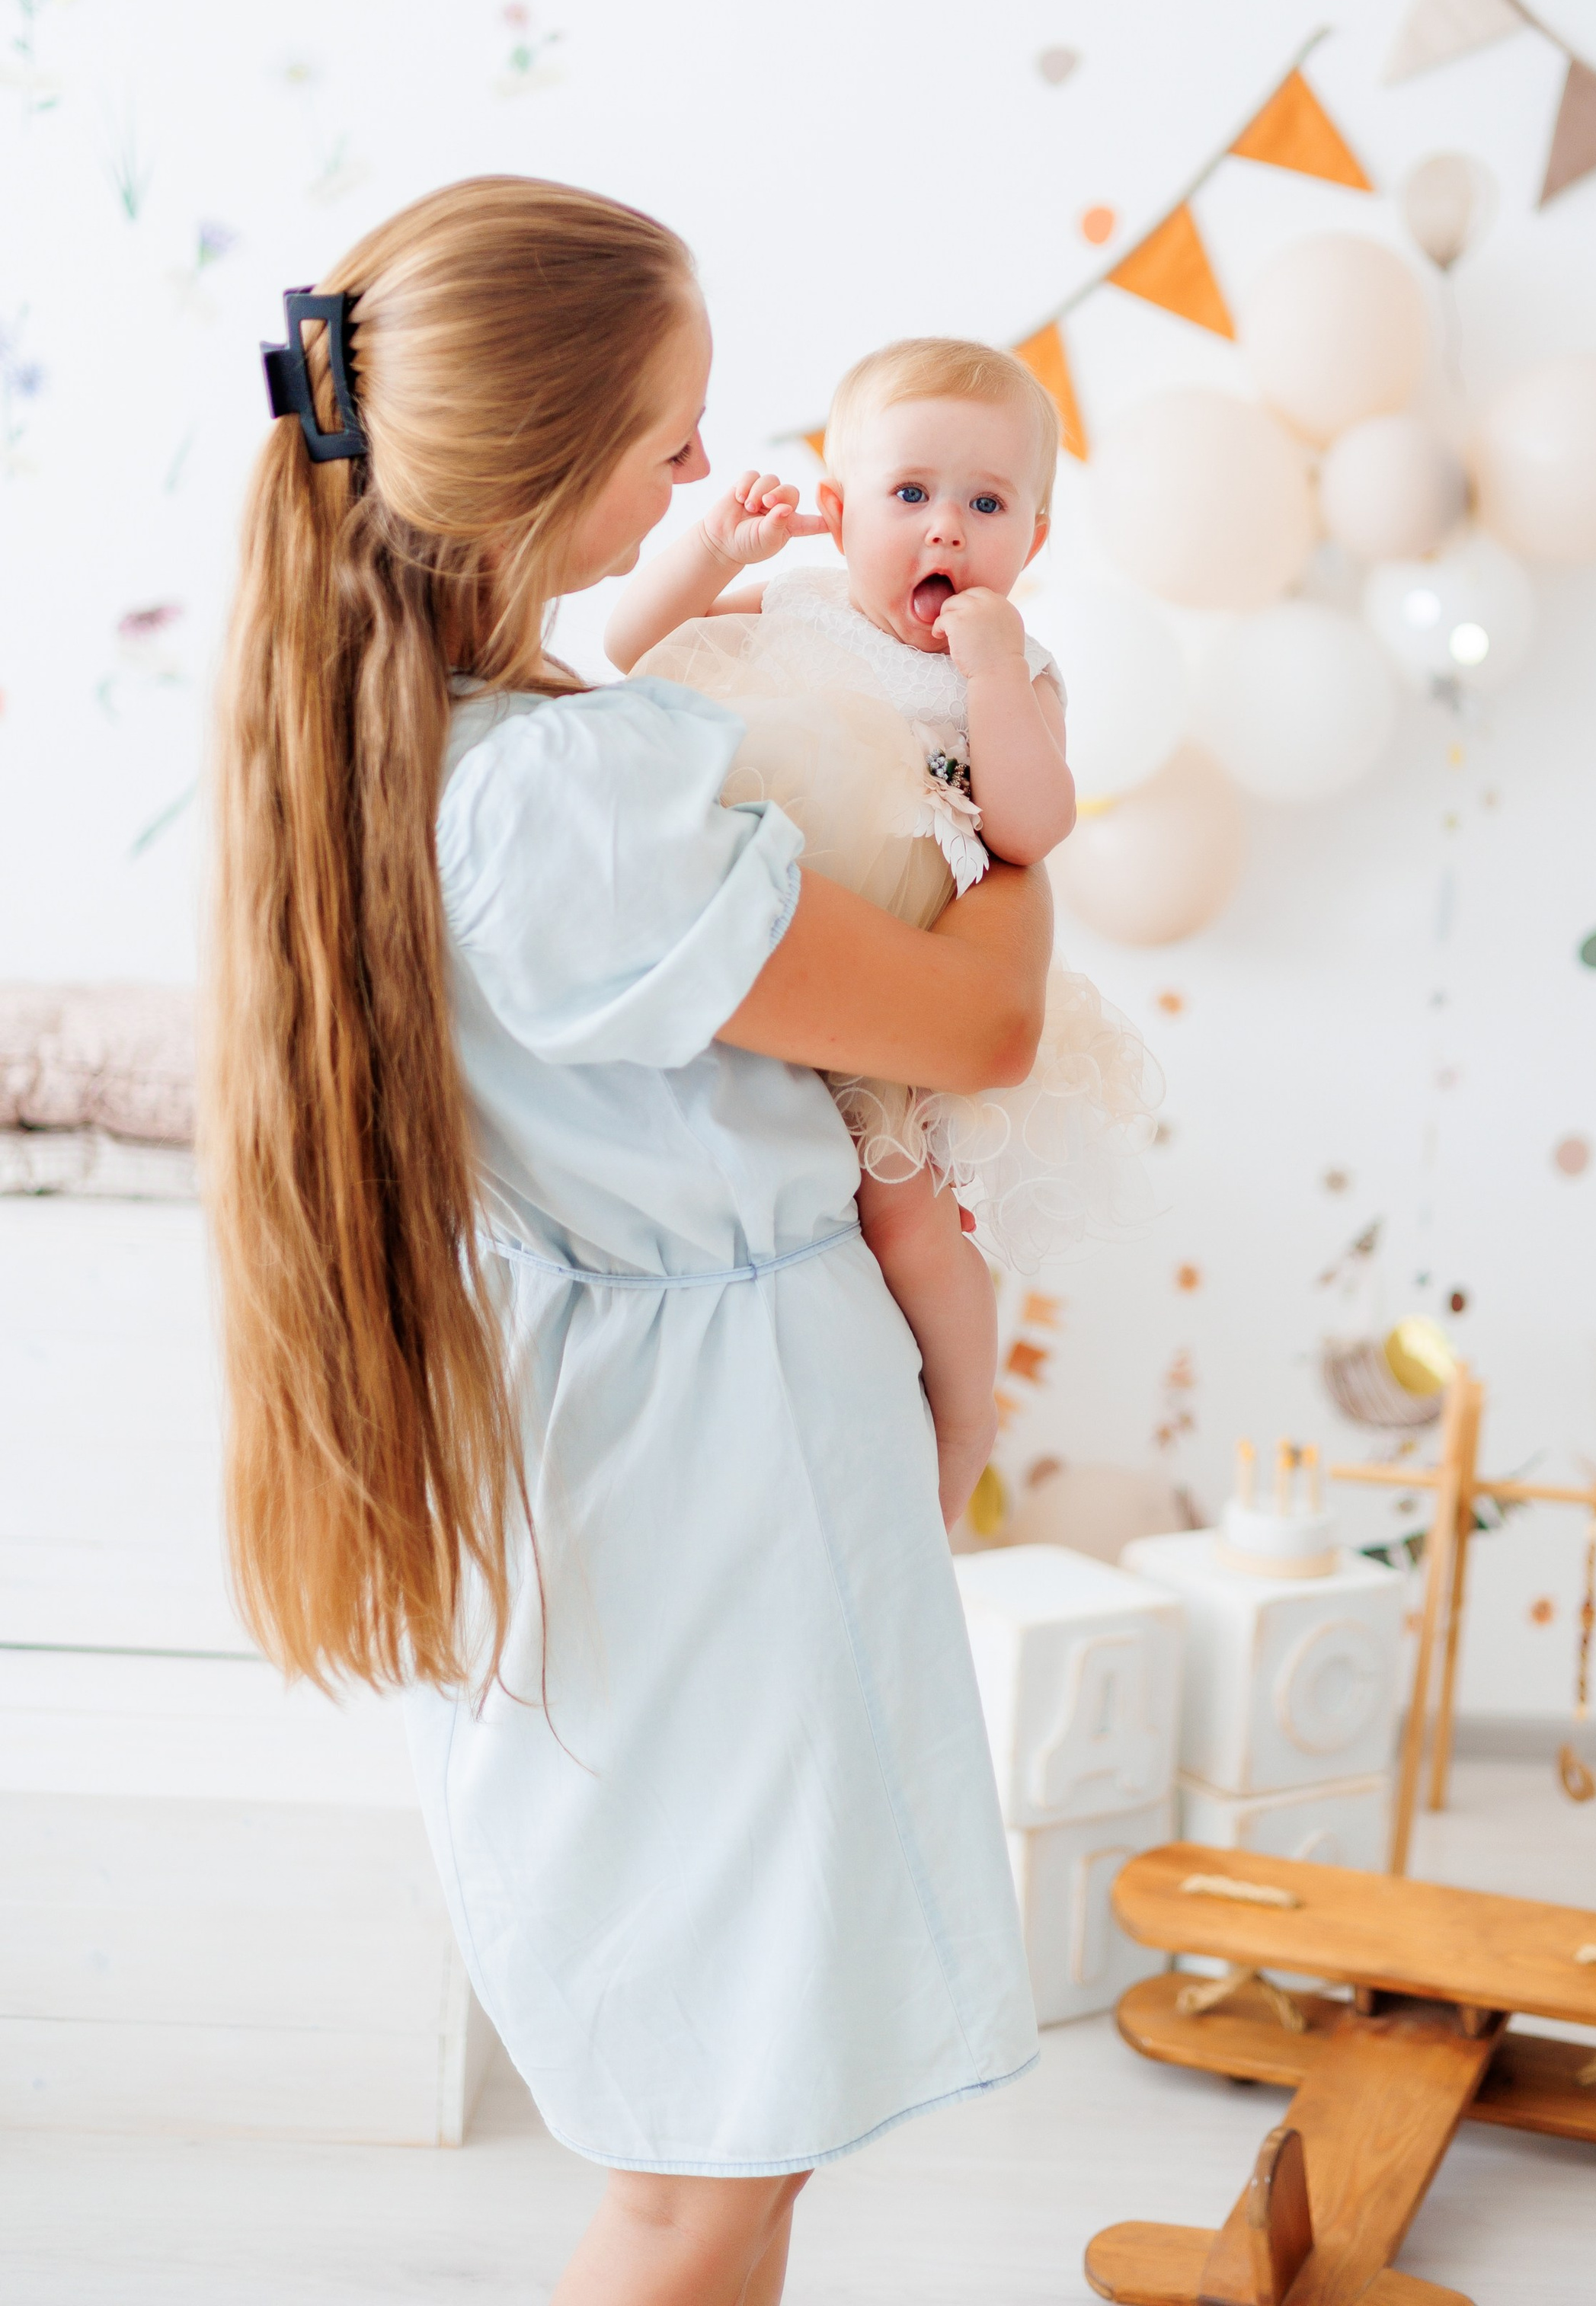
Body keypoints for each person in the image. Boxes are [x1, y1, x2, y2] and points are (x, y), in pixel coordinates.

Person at [203, 183, 1046, 2306]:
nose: (706, 478)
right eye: (674, 446)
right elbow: (991, 1022)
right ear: (559, 468)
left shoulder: (409, 744)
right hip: (714, 1489)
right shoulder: (564, 803)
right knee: (711, 2158)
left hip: (610, 1456)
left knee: (718, 2136)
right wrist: (1020, 834)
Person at [604, 339, 1154, 1534]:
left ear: (1035, 543)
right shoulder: (797, 602)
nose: (945, 532)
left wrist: (998, 674)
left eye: (986, 504)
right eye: (909, 496)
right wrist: (709, 555)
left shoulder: (1014, 670)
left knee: (905, 1216)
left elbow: (1031, 828)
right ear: (840, 515)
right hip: (767, 953)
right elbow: (633, 654)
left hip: (899, 993)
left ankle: (963, 1418)